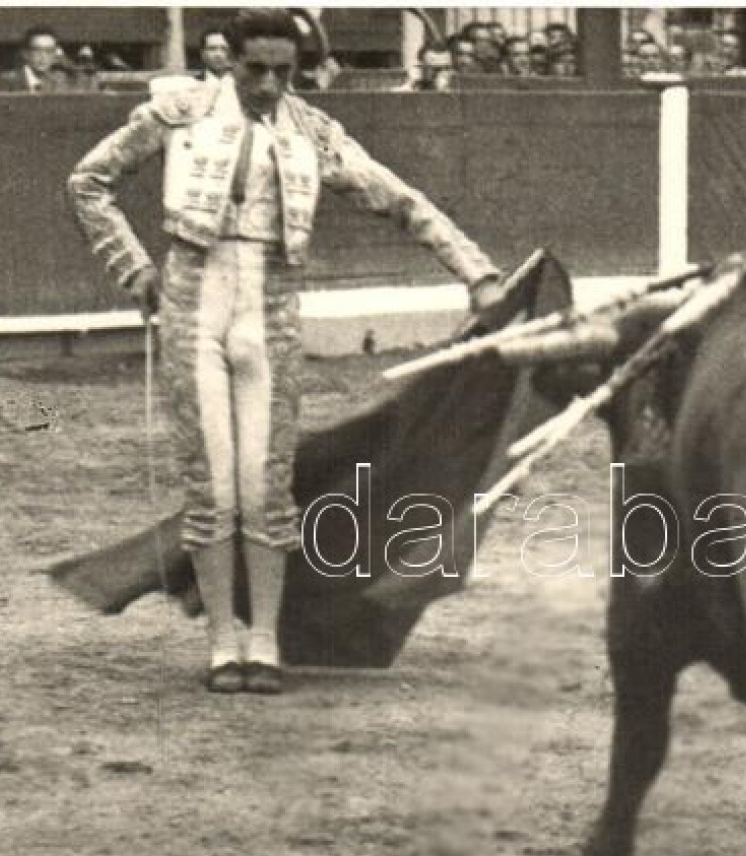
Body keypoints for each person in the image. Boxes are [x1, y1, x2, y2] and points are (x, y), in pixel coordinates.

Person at [67, 9, 503, 695]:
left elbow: (403, 202)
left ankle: (263, 643)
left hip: (271, 306)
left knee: (264, 488)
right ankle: (220, 646)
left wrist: (476, 272)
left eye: (282, 72)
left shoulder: (314, 133)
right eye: (254, 69)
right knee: (213, 488)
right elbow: (88, 182)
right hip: (191, 298)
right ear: (228, 62)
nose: (268, 84)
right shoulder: (178, 112)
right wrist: (134, 268)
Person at [0, 26, 69, 92]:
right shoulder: (6, 82)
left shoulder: (59, 82)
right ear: (25, 53)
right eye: (37, 50)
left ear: (55, 54)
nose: (43, 57)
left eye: (49, 51)